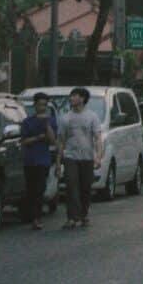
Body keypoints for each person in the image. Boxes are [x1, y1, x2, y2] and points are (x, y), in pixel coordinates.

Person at [58, 87, 102, 230]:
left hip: (87, 158)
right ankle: (71, 217)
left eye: (75, 96)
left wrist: (98, 157)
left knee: (85, 188)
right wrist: (59, 161)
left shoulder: (92, 117)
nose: (71, 99)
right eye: (71, 96)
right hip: (70, 157)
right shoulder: (66, 118)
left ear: (82, 99)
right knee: (71, 186)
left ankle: (84, 214)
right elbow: (61, 141)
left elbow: (98, 138)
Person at [20, 92, 57, 230]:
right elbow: (24, 141)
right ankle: (32, 216)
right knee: (31, 190)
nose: (42, 108)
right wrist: (37, 138)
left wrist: (46, 124)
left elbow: (53, 140)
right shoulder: (27, 122)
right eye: (40, 105)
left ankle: (37, 218)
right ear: (35, 105)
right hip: (29, 160)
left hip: (43, 160)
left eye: (44, 105)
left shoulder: (51, 120)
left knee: (40, 189)